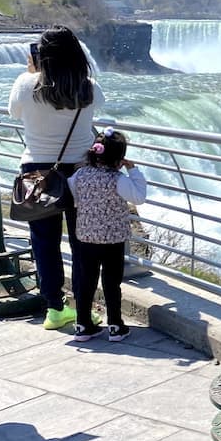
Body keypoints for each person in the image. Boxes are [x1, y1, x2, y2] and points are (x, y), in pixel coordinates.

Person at [8, 24, 105, 330]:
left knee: (44, 242)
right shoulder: (89, 87)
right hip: (81, 172)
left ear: (41, 56)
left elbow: (14, 113)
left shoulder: (25, 84)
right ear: (77, 54)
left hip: (37, 174)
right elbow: (97, 111)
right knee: (83, 244)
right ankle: (85, 311)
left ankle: (54, 308)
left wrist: (33, 72)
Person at [67, 127, 147, 343]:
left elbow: (74, 194)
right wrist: (134, 170)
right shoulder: (117, 179)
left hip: (86, 237)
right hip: (113, 239)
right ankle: (115, 325)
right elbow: (139, 197)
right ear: (119, 158)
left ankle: (83, 325)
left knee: (86, 281)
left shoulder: (80, 175)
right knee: (112, 282)